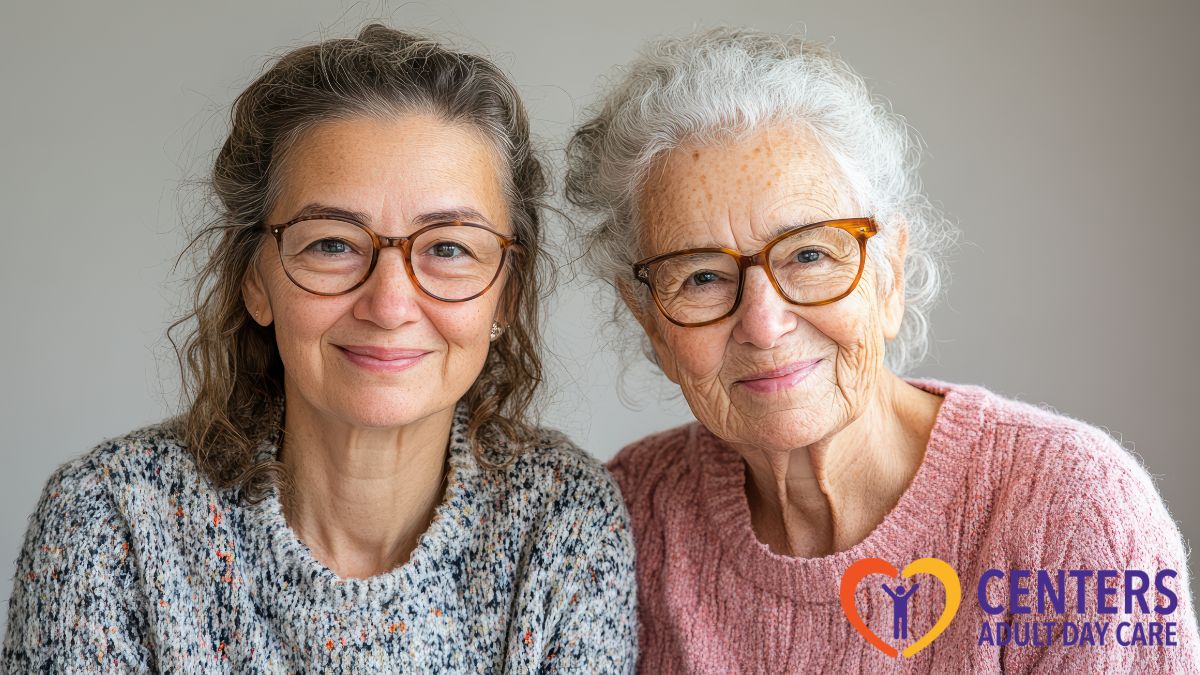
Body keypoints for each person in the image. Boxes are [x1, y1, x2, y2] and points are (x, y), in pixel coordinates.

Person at [3, 24, 636, 672]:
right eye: (333, 243)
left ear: (505, 296)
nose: (389, 304)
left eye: (448, 248)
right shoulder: (111, 522)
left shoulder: (563, 521)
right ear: (256, 279)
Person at [565, 27, 1198, 672]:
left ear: (889, 276)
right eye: (701, 276)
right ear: (648, 321)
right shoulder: (620, 524)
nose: (763, 323)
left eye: (810, 254)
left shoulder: (1075, 518)